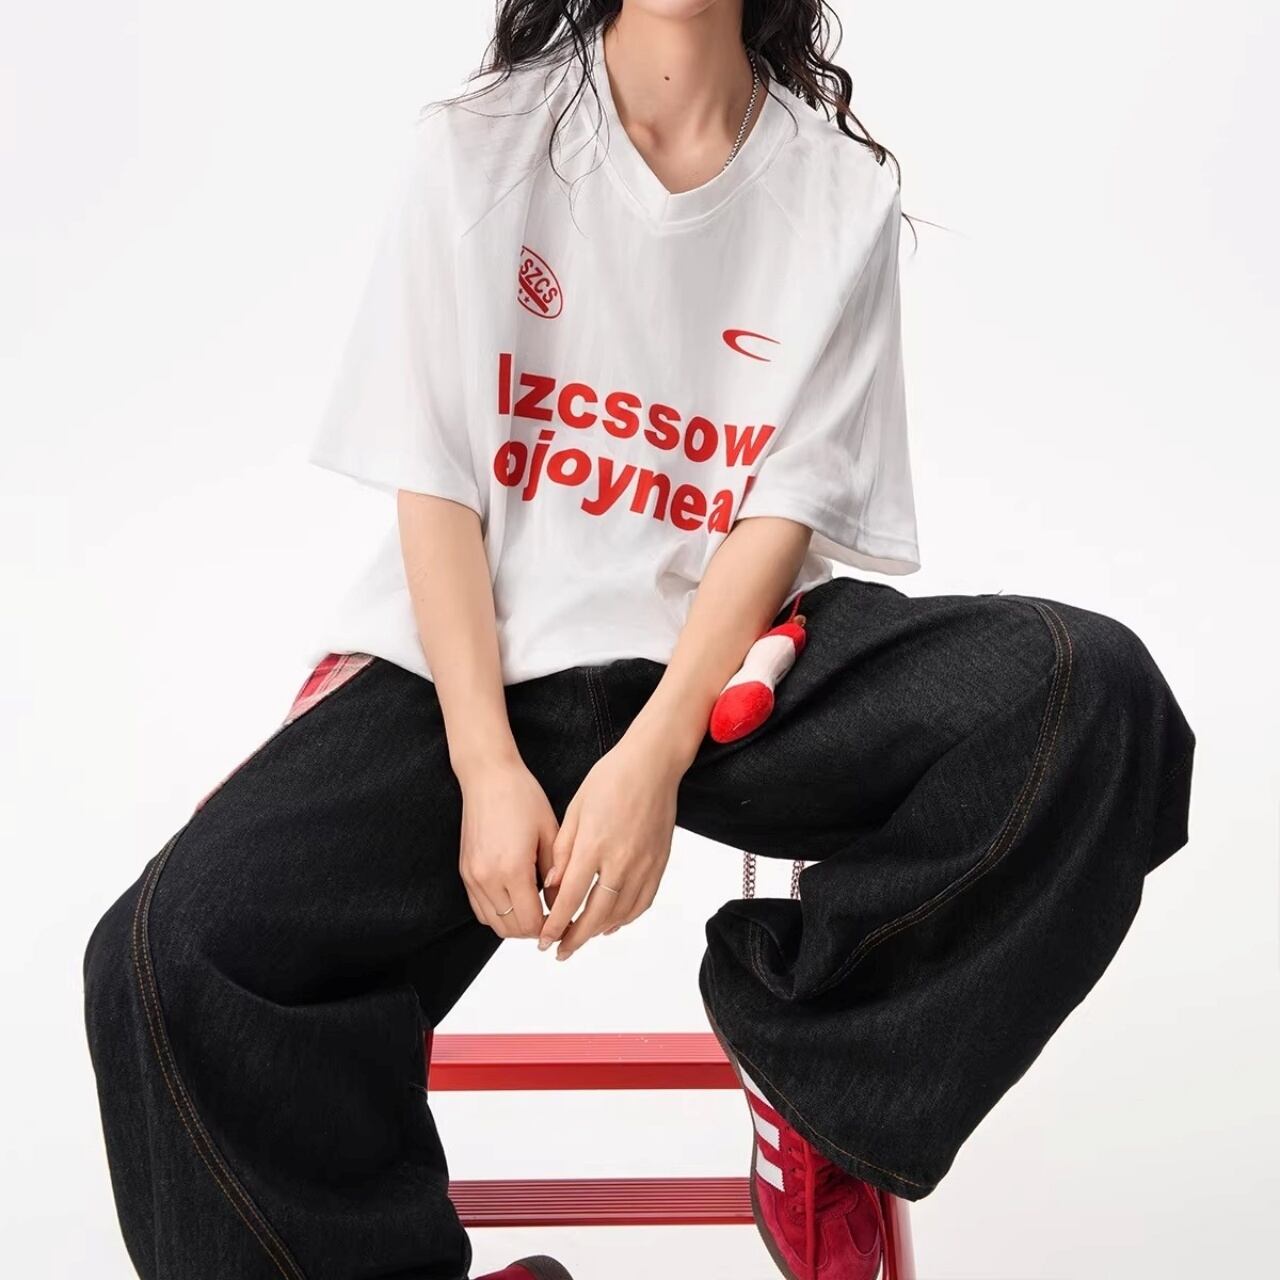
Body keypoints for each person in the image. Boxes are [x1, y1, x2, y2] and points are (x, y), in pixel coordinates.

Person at [81, 5, 1196, 1280]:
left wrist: (655, 753)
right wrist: (485, 762)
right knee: (165, 954)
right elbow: (434, 480)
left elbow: (778, 511)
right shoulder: (478, 145)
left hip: (725, 663)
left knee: (1088, 697)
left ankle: (815, 1070)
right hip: (473, 664)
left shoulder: (836, 192)